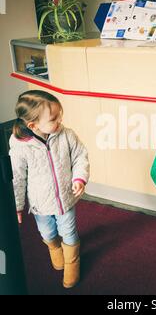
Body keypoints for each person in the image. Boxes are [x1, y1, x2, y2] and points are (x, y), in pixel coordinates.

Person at [9, 90, 90, 289]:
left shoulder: (66, 134)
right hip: (40, 202)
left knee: (69, 232)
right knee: (47, 233)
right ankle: (55, 249)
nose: (60, 120)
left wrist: (80, 178)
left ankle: (72, 263)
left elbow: (80, 155)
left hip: (65, 198)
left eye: (60, 114)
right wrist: (17, 206)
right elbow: (17, 178)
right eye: (54, 118)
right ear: (33, 125)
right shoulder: (19, 146)